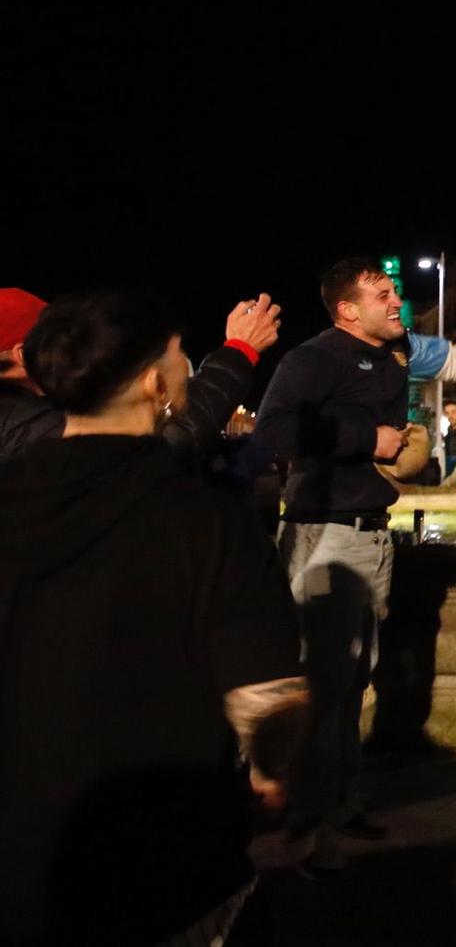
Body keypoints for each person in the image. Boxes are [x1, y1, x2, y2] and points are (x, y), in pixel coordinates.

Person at [0, 291, 307, 944]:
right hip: (167, 864)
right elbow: (268, 694)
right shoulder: (205, 522)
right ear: (151, 382)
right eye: (177, 360)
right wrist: (270, 776)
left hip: (28, 861)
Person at [252, 257, 456, 874]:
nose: (396, 301)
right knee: (325, 683)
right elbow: (272, 432)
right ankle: (309, 825)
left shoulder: (397, 349)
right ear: (349, 309)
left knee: (352, 680)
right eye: (383, 294)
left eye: (394, 291)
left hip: (371, 537)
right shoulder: (313, 359)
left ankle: (340, 805)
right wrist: (365, 439)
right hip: (325, 535)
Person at [2, 285, 283, 462]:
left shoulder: (31, 408)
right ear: (21, 354)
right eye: (54, 339)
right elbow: (161, 448)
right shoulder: (17, 422)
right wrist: (239, 350)